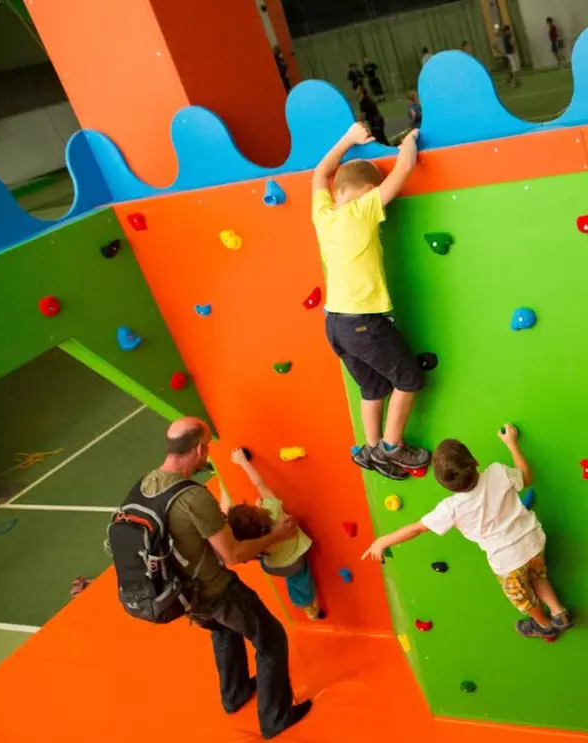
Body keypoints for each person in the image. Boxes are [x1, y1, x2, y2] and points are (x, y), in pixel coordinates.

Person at [145, 418, 310, 738]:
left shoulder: (147, 485)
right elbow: (234, 555)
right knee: (271, 639)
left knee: (222, 632)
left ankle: (234, 696)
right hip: (214, 589)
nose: (206, 454)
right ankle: (275, 719)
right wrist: (274, 536)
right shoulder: (193, 497)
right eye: (205, 448)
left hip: (180, 593)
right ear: (197, 449)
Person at [362, 425, 571, 640]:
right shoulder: (497, 471)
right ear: (475, 462)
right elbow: (526, 479)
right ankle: (558, 612)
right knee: (538, 575)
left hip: (508, 562)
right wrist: (512, 444)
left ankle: (544, 625)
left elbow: (417, 528)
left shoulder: (451, 508)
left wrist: (383, 541)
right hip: (533, 541)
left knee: (524, 599)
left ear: (445, 485)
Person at [312, 123, 429, 481]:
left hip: (335, 324)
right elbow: (405, 169)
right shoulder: (362, 210)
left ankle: (371, 449)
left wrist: (347, 138)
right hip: (362, 322)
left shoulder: (324, 215)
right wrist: (408, 138)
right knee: (409, 380)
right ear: (366, 192)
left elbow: (321, 173)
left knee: (373, 387)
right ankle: (392, 446)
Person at [220, 448, 324, 621]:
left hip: (274, 565)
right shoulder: (273, 509)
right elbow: (259, 483)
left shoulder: (246, 537)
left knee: (291, 576)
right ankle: (308, 606)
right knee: (301, 578)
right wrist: (243, 462)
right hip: (294, 558)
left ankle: (307, 606)